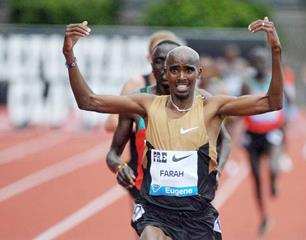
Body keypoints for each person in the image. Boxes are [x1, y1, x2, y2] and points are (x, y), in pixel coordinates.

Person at [63, 17, 283, 239]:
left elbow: (271, 102)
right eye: (174, 70)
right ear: (164, 72)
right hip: (156, 211)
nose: (181, 77)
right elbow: (89, 101)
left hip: (198, 214)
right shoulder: (146, 103)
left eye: (188, 70)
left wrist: (275, 50)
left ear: (198, 73)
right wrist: (70, 56)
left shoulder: (212, 105)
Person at [106, 40, 231, 200]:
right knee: (146, 223)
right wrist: (120, 167)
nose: (165, 68)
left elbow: (225, 140)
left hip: (189, 193)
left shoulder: (202, 100)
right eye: (159, 62)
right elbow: (113, 154)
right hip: (147, 191)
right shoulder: (137, 102)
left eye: (171, 62)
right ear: (152, 66)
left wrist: (217, 172)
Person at [240, 47, 285, 236]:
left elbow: (285, 101)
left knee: (273, 168)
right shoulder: (246, 82)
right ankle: (263, 216)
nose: (260, 65)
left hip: (273, 132)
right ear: (252, 64)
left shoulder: (273, 80)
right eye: (257, 61)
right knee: (256, 177)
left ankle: (274, 180)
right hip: (252, 134)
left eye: (263, 61)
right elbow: (239, 105)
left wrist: (286, 128)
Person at [104, 30, 178, 132]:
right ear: (149, 58)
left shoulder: (184, 87)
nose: (164, 62)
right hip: (141, 147)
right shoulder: (136, 84)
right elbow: (111, 123)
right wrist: (142, 124)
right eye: (158, 53)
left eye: (169, 54)